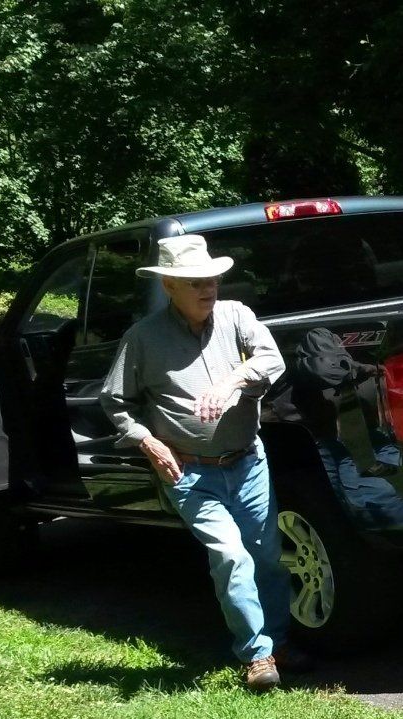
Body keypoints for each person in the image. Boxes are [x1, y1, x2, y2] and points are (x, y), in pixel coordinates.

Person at [100, 235, 292, 691]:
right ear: (168, 285)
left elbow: (271, 359)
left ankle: (280, 644)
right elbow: (115, 401)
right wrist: (149, 442)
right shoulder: (142, 339)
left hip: (248, 463)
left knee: (266, 558)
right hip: (190, 473)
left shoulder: (236, 315)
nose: (208, 289)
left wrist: (233, 380)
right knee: (231, 556)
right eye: (195, 283)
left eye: (212, 280)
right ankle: (257, 656)